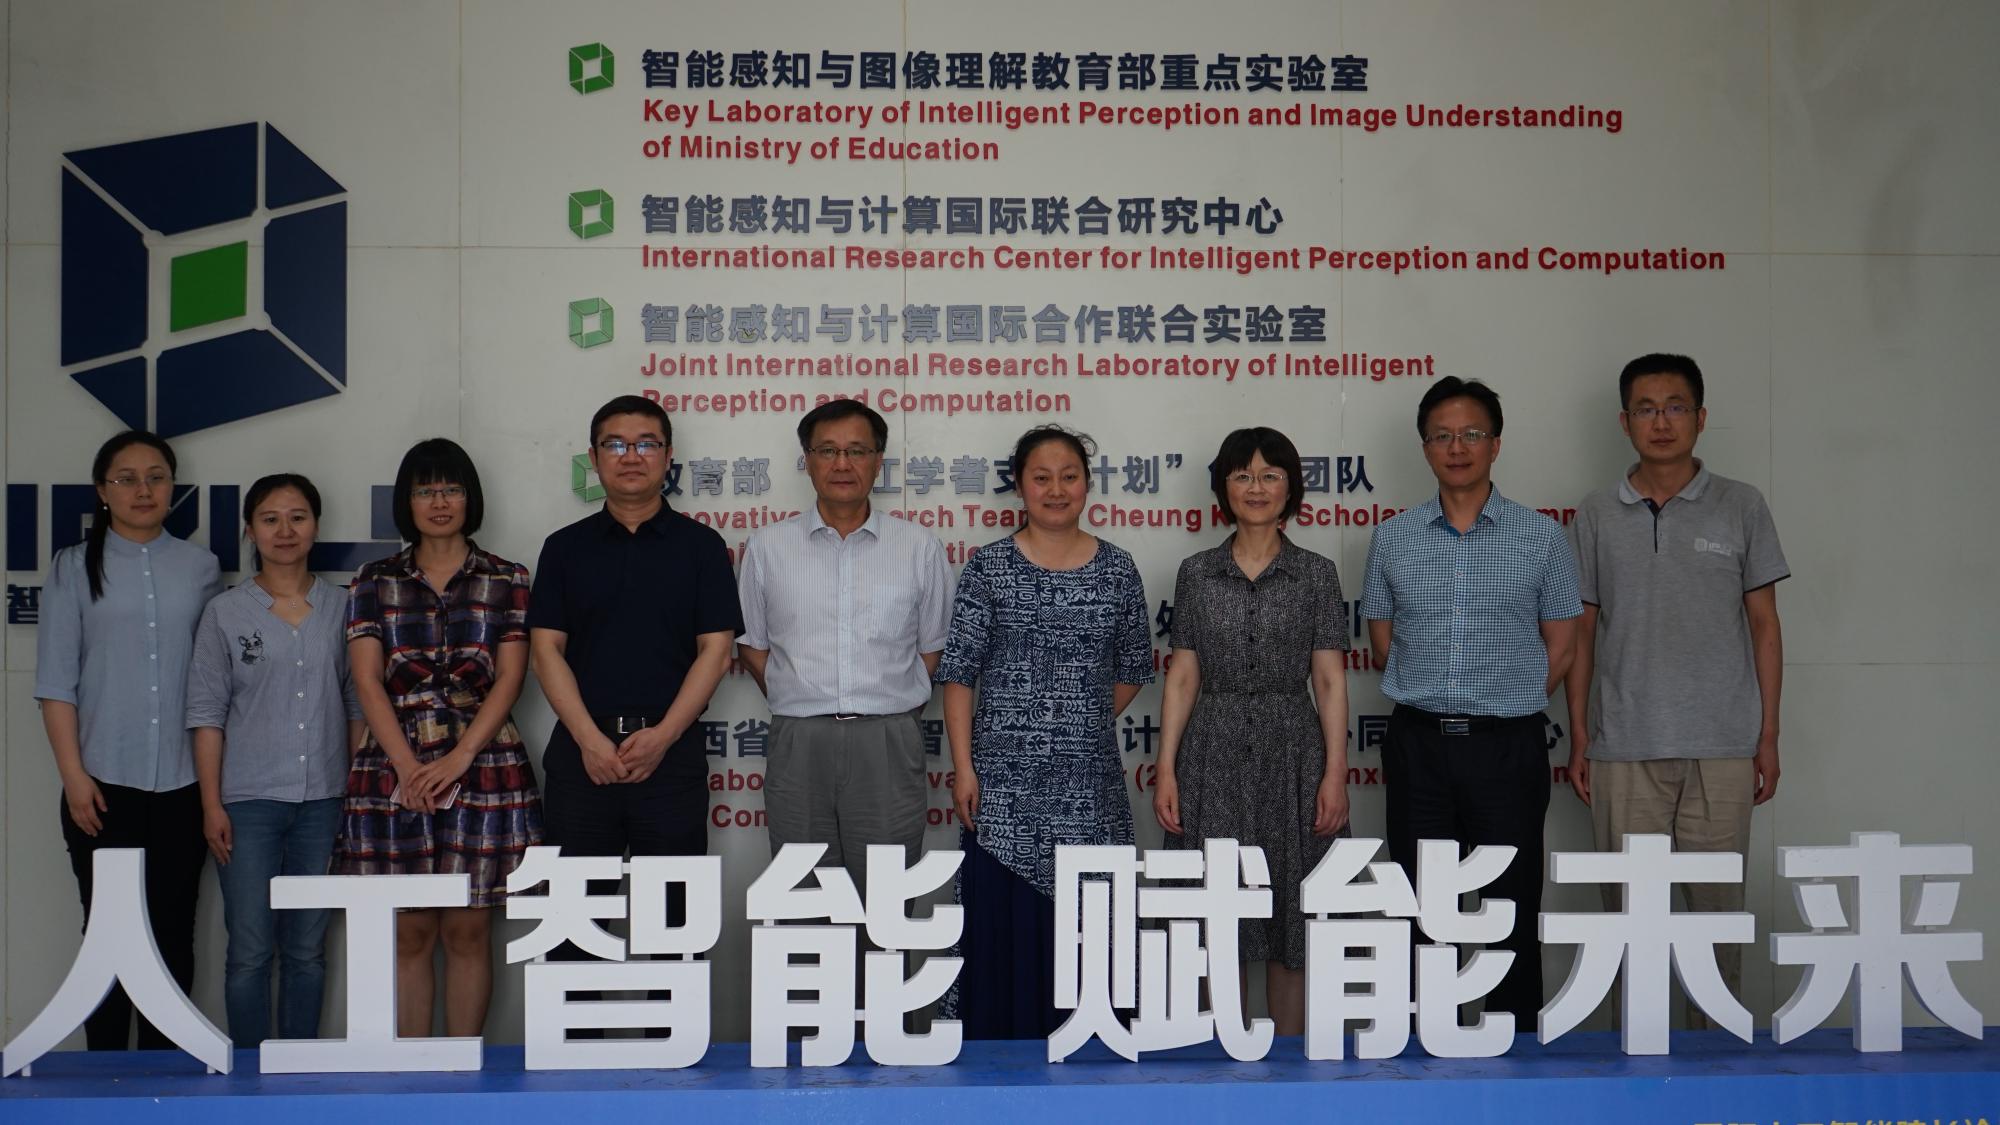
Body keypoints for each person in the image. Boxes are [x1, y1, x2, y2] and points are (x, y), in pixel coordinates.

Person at [1564, 353, 1787, 1026]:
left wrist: (1767, 735)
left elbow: (1765, 625)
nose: (1661, 421)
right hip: (1623, 746)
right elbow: (1582, 631)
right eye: (1646, 409)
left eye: (1675, 406)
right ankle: (1633, 1062)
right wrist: (1581, 734)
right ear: (1625, 422)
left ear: (1701, 417)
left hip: (1722, 746)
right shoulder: (1596, 513)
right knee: (1629, 926)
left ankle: (1714, 1063)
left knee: (1716, 930)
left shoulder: (1742, 505)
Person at [1360, 376, 1581, 1028]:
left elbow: (1562, 645)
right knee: (1421, 907)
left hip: (1507, 747)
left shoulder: (1541, 537)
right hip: (1419, 745)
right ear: (1425, 447)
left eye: (1471, 434)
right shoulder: (1394, 538)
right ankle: (1428, 1040)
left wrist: (1504, 701)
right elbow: (1382, 642)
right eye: (1442, 436)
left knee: (1510, 903)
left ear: (1496, 444)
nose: (1457, 447)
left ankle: (1515, 1046)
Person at [936, 425, 1154, 1040]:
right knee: (1002, 925)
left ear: (1087, 484)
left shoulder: (1117, 568)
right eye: (1041, 477)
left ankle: (1092, 1052)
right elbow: (959, 675)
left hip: (1089, 784)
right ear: (1020, 486)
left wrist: (1074, 718)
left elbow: (1134, 669)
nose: (1056, 489)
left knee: (1089, 922)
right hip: (1001, 786)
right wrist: (965, 767)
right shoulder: (990, 567)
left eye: (1069, 476)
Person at [336, 439, 542, 1038]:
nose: (439, 502)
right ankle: (415, 1070)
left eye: (450, 489)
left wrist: (459, 757)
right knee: (410, 928)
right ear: (406, 502)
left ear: (469, 497)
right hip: (393, 762)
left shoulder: (506, 577)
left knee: (469, 927)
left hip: (484, 760)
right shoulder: (373, 580)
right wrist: (407, 768)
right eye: (425, 491)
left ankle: (463, 1067)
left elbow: (510, 679)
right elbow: (368, 681)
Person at [1153, 427, 1351, 1038]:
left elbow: (1329, 681)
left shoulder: (1316, 574)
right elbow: (1183, 677)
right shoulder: (1197, 573)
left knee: (1293, 911)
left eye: (1270, 475)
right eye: (1242, 475)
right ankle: (1227, 1055)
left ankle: (1289, 1061)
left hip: (1294, 751)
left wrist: (1335, 773)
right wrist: (1166, 768)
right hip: (1210, 751)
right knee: (1219, 908)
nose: (1256, 487)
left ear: (1291, 487)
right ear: (1224, 488)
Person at [35, 430, 221, 1049]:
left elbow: (211, 681)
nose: (143, 490)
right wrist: (74, 777)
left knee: (173, 933)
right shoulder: (71, 566)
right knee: (106, 936)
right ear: (102, 490)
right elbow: (56, 683)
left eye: (156, 477)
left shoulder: (200, 567)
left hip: (183, 783)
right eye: (126, 479)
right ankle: (106, 1071)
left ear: (172, 487)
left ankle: (168, 1071)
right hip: (100, 784)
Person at [527, 396, 740, 934]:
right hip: (582, 761)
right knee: (573, 932)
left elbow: (716, 651)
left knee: (673, 929)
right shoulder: (564, 549)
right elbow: (545, 650)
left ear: (668, 456)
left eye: (646, 444)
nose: (630, 456)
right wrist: (589, 741)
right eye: (615, 444)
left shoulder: (701, 547)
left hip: (671, 760)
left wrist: (664, 736)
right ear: (593, 457)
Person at [736, 399, 951, 893]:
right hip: (799, 740)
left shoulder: (918, 547)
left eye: (857, 451)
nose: (842, 464)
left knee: (886, 899)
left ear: (878, 461)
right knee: (804, 895)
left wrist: (886, 703)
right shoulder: (768, 547)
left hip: (888, 740)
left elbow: (932, 648)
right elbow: (753, 646)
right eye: (827, 450)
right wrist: (803, 694)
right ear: (807, 460)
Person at [186, 473, 362, 1047]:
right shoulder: (226, 613)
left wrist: (354, 792)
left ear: (316, 526)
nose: (285, 530)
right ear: (250, 530)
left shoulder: (343, 606)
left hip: (324, 802)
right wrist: (211, 804)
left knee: (308, 949)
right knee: (250, 950)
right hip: (247, 805)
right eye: (270, 519)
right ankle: (248, 1072)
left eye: (297, 517)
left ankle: (298, 1069)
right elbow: (207, 714)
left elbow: (357, 704)